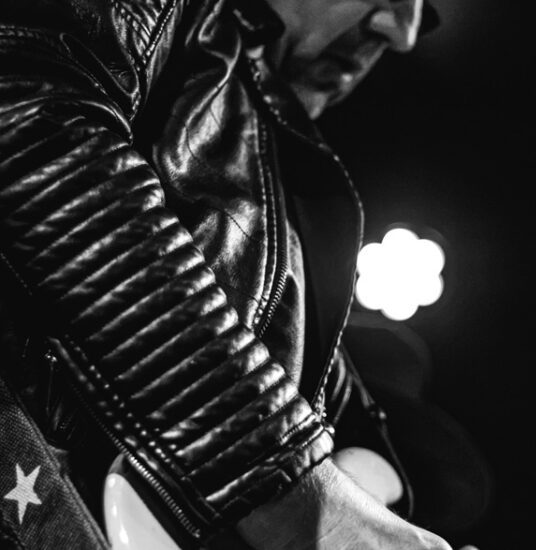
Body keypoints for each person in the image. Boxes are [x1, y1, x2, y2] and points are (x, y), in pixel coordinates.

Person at [0, 0, 486, 548]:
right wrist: (296, 494)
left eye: (425, 10)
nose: (403, 32)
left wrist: (355, 486)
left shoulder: (278, 175)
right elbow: (29, 118)